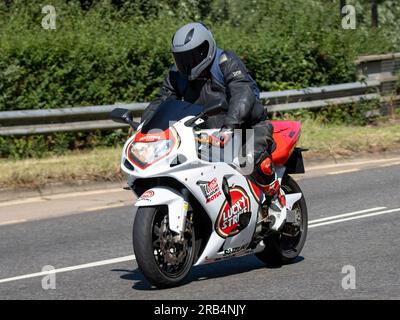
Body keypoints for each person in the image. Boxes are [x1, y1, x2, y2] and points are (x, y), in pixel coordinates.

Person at [141, 22, 286, 231]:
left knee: (249, 159)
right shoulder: (176, 75)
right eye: (182, 59)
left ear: (206, 49)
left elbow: (242, 93)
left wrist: (230, 125)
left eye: (192, 57)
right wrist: (145, 128)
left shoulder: (226, 62)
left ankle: (275, 199)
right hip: (204, 134)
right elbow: (161, 101)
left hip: (245, 126)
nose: (187, 64)